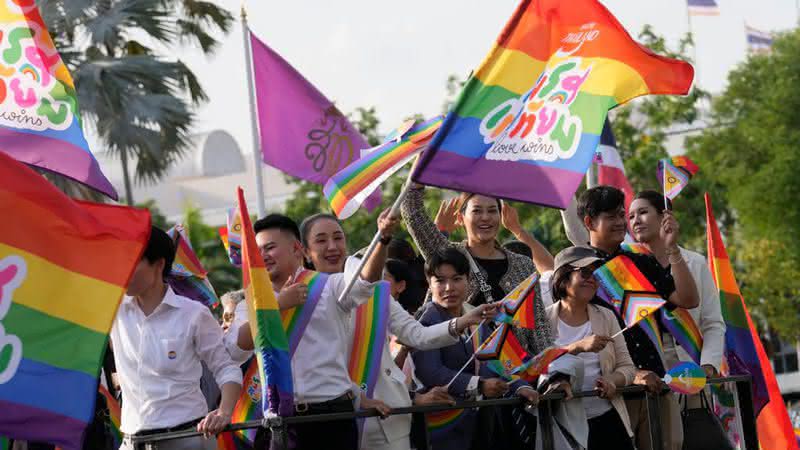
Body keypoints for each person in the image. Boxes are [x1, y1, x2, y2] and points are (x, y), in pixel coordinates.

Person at [299, 213, 504, 450]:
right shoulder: (300, 300)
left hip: (387, 420)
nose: (332, 247)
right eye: (321, 240)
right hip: (332, 422)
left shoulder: (376, 293)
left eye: (338, 237)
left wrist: (465, 320)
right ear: (304, 251)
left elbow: (418, 335)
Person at [226, 213, 387, 450]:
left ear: (296, 248)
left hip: (331, 415)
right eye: (257, 251)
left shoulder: (328, 285)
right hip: (280, 421)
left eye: (270, 247)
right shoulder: (250, 302)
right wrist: (277, 306)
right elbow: (236, 348)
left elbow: (365, 281)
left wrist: (383, 239)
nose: (263, 256)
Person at [564, 186, 700, 450]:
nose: (619, 223)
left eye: (620, 215)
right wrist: (631, 373)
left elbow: (688, 299)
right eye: (610, 217)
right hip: (608, 392)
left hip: (656, 385)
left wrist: (673, 250)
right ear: (590, 222)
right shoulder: (579, 273)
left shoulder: (640, 262)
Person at [111, 226, 242, 450]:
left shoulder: (193, 314)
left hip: (187, 438)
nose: (123, 270)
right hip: (133, 442)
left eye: (132, 261)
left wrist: (224, 412)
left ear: (159, 264)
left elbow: (226, 368)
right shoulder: (112, 311)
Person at [402, 185, 554, 356]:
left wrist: (551, 367)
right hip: (455, 369)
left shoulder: (524, 264)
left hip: (513, 371)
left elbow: (538, 323)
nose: (485, 218)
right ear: (461, 217)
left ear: (500, 215)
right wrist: (417, 179)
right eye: (477, 211)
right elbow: (413, 213)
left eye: (492, 211)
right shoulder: (446, 253)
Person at [412, 249, 540, 450]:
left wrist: (520, 386)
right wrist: (479, 385)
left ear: (468, 281)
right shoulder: (425, 321)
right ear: (429, 283)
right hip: (441, 428)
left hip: (479, 424)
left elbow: (492, 361)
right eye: (440, 281)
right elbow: (431, 372)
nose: (449, 288)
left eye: (456, 279)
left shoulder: (475, 315)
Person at [546, 247, 636, 450]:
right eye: (584, 272)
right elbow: (534, 366)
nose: (591, 279)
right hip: (561, 425)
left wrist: (612, 380)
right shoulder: (542, 319)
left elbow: (628, 367)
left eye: (596, 274)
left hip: (606, 420)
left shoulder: (606, 316)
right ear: (563, 277)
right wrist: (576, 347)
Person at [628, 190, 725, 378]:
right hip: (646, 367)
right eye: (631, 216)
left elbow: (712, 322)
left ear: (665, 217)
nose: (636, 221)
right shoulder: (627, 265)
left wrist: (708, 366)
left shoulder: (695, 263)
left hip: (689, 363)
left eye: (643, 212)